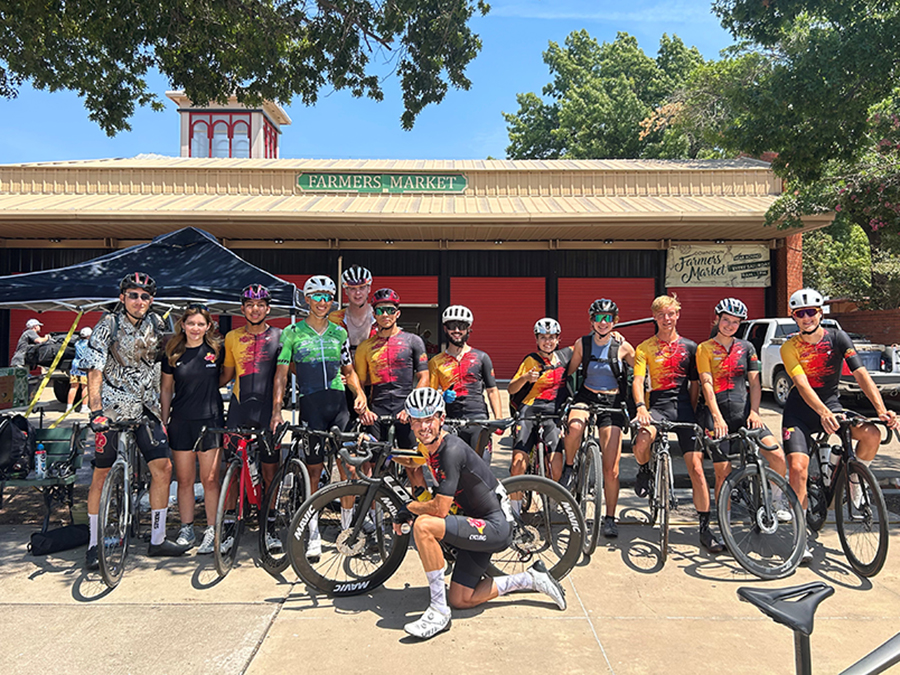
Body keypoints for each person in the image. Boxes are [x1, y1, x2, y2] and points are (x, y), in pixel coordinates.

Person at [398, 387, 567, 640]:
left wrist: (407, 508)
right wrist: (386, 453)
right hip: (474, 522)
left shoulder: (450, 450)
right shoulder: (429, 446)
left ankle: (437, 610)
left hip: (494, 527)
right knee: (462, 598)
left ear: (441, 419)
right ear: (410, 423)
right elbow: (414, 461)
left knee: (424, 525)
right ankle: (532, 578)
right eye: (417, 420)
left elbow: (441, 509)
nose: (424, 426)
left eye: (429, 418)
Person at [780, 288, 899, 562]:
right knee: (797, 469)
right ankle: (799, 539)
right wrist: (822, 412)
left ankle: (854, 477)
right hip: (800, 413)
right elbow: (801, 384)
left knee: (871, 434)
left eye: (811, 312)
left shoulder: (837, 337)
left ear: (820, 313)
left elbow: (860, 373)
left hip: (831, 406)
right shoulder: (789, 347)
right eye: (801, 314)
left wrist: (882, 411)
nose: (807, 317)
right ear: (795, 318)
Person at [83, 273, 188, 570]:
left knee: (163, 467)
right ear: (122, 297)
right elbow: (94, 365)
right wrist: (95, 409)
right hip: (113, 408)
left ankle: (157, 538)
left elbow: (168, 359)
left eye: (144, 296)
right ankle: (94, 543)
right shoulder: (109, 324)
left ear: (151, 300)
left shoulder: (157, 324)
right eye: (133, 295)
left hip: (146, 407)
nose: (139, 301)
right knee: (101, 473)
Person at [272, 275, 368, 559]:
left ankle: (349, 532)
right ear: (307, 299)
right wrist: (277, 409)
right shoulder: (291, 333)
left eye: (328, 297)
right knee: (313, 472)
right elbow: (281, 374)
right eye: (317, 296)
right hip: (310, 407)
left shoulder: (340, 332)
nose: (322, 302)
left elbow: (348, 371)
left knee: (349, 469)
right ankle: (313, 532)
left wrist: (359, 392)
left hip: (339, 406)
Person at [632, 295, 725, 554]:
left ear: (677, 315)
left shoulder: (691, 347)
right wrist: (641, 406)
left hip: (684, 407)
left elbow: (695, 385)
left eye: (671, 313)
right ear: (654, 316)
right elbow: (639, 381)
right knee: (641, 442)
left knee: (696, 469)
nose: (666, 319)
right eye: (661, 314)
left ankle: (705, 528)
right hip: (658, 407)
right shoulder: (644, 348)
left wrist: (693, 412)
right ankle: (645, 470)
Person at [696, 298, 791, 520]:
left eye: (735, 322)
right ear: (717, 319)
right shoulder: (705, 348)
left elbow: (755, 384)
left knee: (777, 455)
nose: (730, 325)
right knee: (723, 472)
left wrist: (755, 412)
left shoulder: (747, 348)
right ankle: (724, 521)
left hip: (744, 412)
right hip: (716, 414)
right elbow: (706, 384)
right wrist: (717, 418)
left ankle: (777, 501)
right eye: (726, 320)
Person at [563, 299, 635, 538]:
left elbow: (642, 373)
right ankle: (570, 467)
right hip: (586, 395)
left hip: (612, 402)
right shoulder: (582, 344)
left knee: (611, 469)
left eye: (608, 318)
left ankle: (610, 517)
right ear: (591, 320)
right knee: (574, 427)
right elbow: (568, 371)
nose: (603, 323)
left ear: (614, 321)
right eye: (598, 318)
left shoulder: (624, 347)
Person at [160, 305, 224, 555]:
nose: (195, 328)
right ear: (183, 325)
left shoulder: (216, 350)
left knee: (210, 480)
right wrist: (164, 421)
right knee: (184, 480)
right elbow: (166, 389)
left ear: (208, 326)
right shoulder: (173, 352)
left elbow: (225, 377)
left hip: (211, 421)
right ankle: (186, 528)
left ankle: (212, 529)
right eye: (191, 324)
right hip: (181, 422)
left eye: (200, 324)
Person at [355, 288, 429, 486]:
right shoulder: (365, 347)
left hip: (406, 410)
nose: (385, 315)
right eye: (380, 311)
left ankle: (418, 513)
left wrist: (411, 408)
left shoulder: (413, 341)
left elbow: (424, 377)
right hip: (377, 411)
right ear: (374, 314)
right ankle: (372, 514)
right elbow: (359, 384)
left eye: (389, 310)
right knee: (370, 466)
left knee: (414, 466)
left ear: (397, 313)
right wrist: (365, 410)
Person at [220, 284, 283, 496]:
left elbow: (287, 372)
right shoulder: (231, 337)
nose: (255, 309)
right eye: (249, 305)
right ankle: (229, 519)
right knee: (231, 467)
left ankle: (270, 519)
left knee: (270, 471)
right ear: (242, 309)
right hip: (239, 408)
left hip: (267, 410)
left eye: (260, 305)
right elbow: (226, 375)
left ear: (268, 309)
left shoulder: (279, 336)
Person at [507, 319, 572, 508]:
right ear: (537, 339)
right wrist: (525, 378)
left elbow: (587, 344)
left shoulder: (565, 357)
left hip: (552, 413)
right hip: (529, 410)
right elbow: (511, 389)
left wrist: (614, 336)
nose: (548, 341)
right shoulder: (531, 360)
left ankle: (549, 499)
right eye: (543, 337)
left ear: (558, 339)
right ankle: (515, 512)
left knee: (556, 466)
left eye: (551, 337)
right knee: (518, 464)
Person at [428, 305, 503, 457]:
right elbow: (431, 394)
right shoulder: (436, 362)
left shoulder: (481, 358)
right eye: (451, 326)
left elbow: (492, 390)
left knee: (481, 468)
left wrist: (499, 419)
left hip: (478, 419)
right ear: (445, 329)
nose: (456, 330)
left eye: (461, 326)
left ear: (468, 329)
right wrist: (441, 396)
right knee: (451, 468)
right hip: (451, 420)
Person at [329, 264, 377, 352]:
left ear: (369, 288)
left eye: (362, 287)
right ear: (346, 291)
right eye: (352, 289)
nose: (358, 293)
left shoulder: (380, 316)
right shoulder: (334, 319)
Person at [67, 327, 92, 412]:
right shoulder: (90, 344)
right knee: (85, 387)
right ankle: (84, 407)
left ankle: (69, 407)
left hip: (75, 365)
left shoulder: (77, 343)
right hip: (84, 366)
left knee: (73, 387)